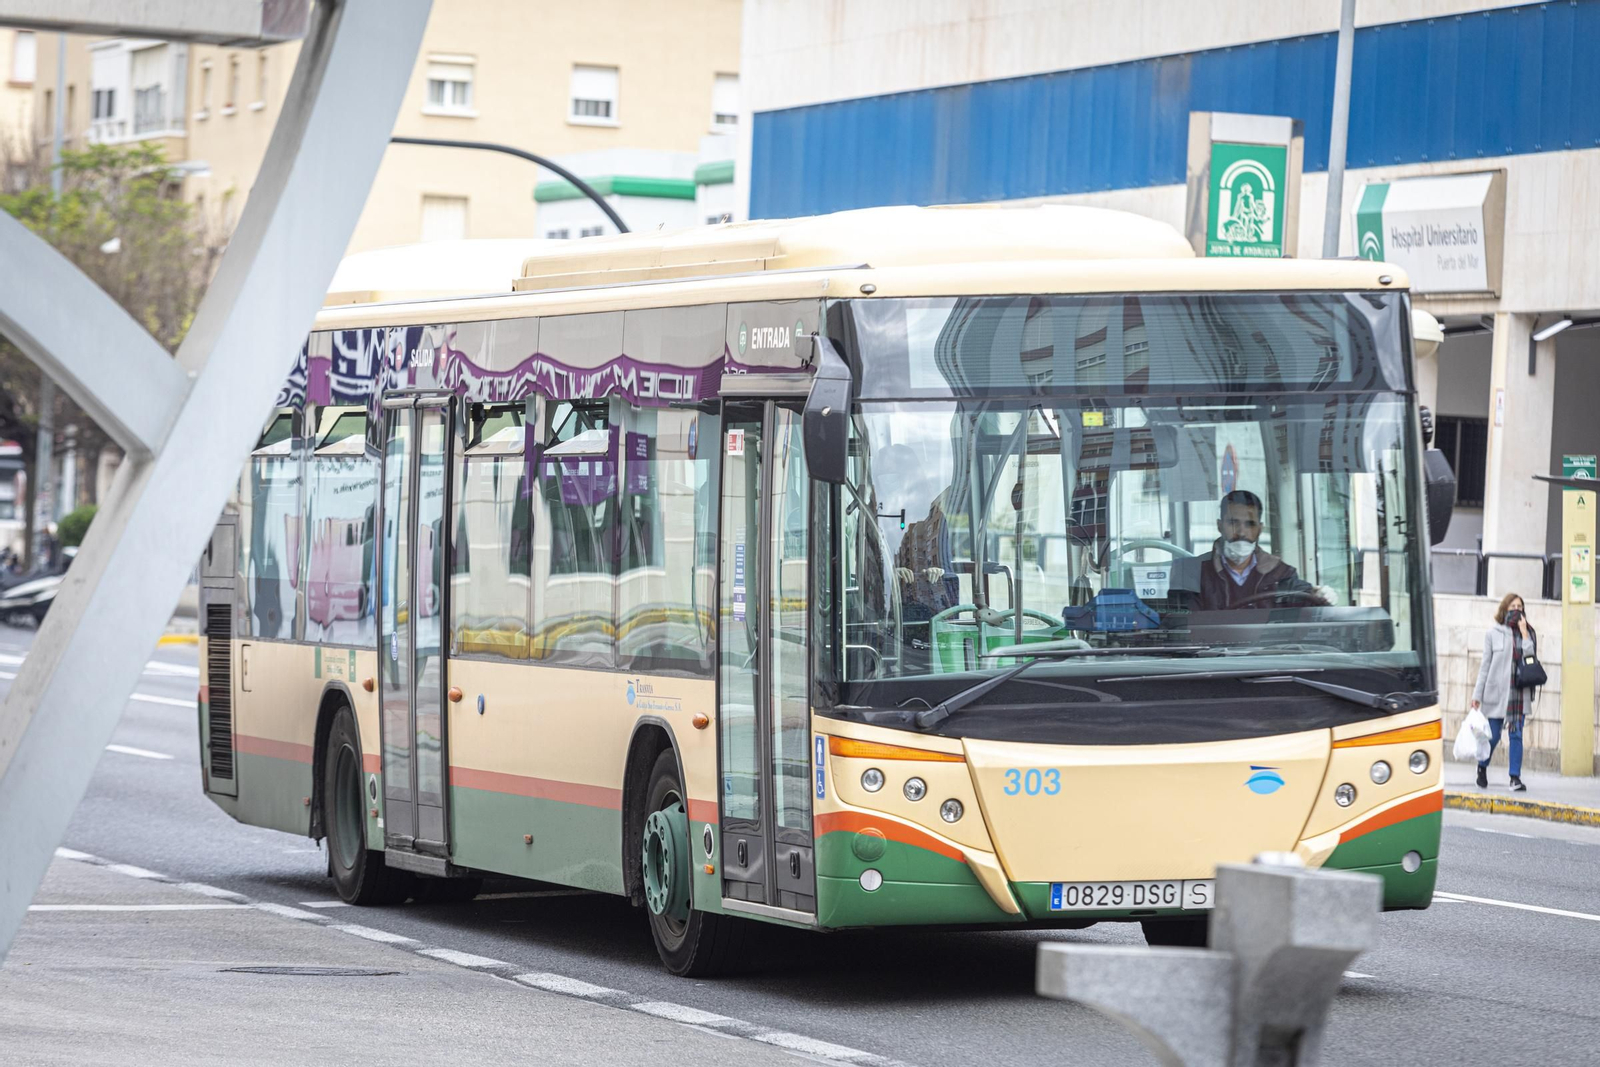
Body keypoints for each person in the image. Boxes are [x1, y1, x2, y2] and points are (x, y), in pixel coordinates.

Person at [1171, 489, 1332, 611]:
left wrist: (1319, 595)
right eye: (1234, 523)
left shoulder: (1280, 573)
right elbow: (1183, 626)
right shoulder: (1189, 572)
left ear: (1260, 528)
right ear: (1220, 526)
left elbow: (1304, 598)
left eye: (1250, 524)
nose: (1241, 532)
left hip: (1266, 654)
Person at [1471, 592, 1535, 792]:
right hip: (1496, 695)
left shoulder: (1529, 633)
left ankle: (1514, 778)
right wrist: (1477, 696)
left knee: (1516, 736)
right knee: (1495, 735)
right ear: (1505, 609)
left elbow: (1531, 659)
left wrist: (1524, 635)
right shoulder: (1493, 634)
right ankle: (1482, 767)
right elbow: (1485, 666)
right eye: (1513, 607)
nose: (1517, 610)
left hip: (1518, 695)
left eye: (1520, 607)